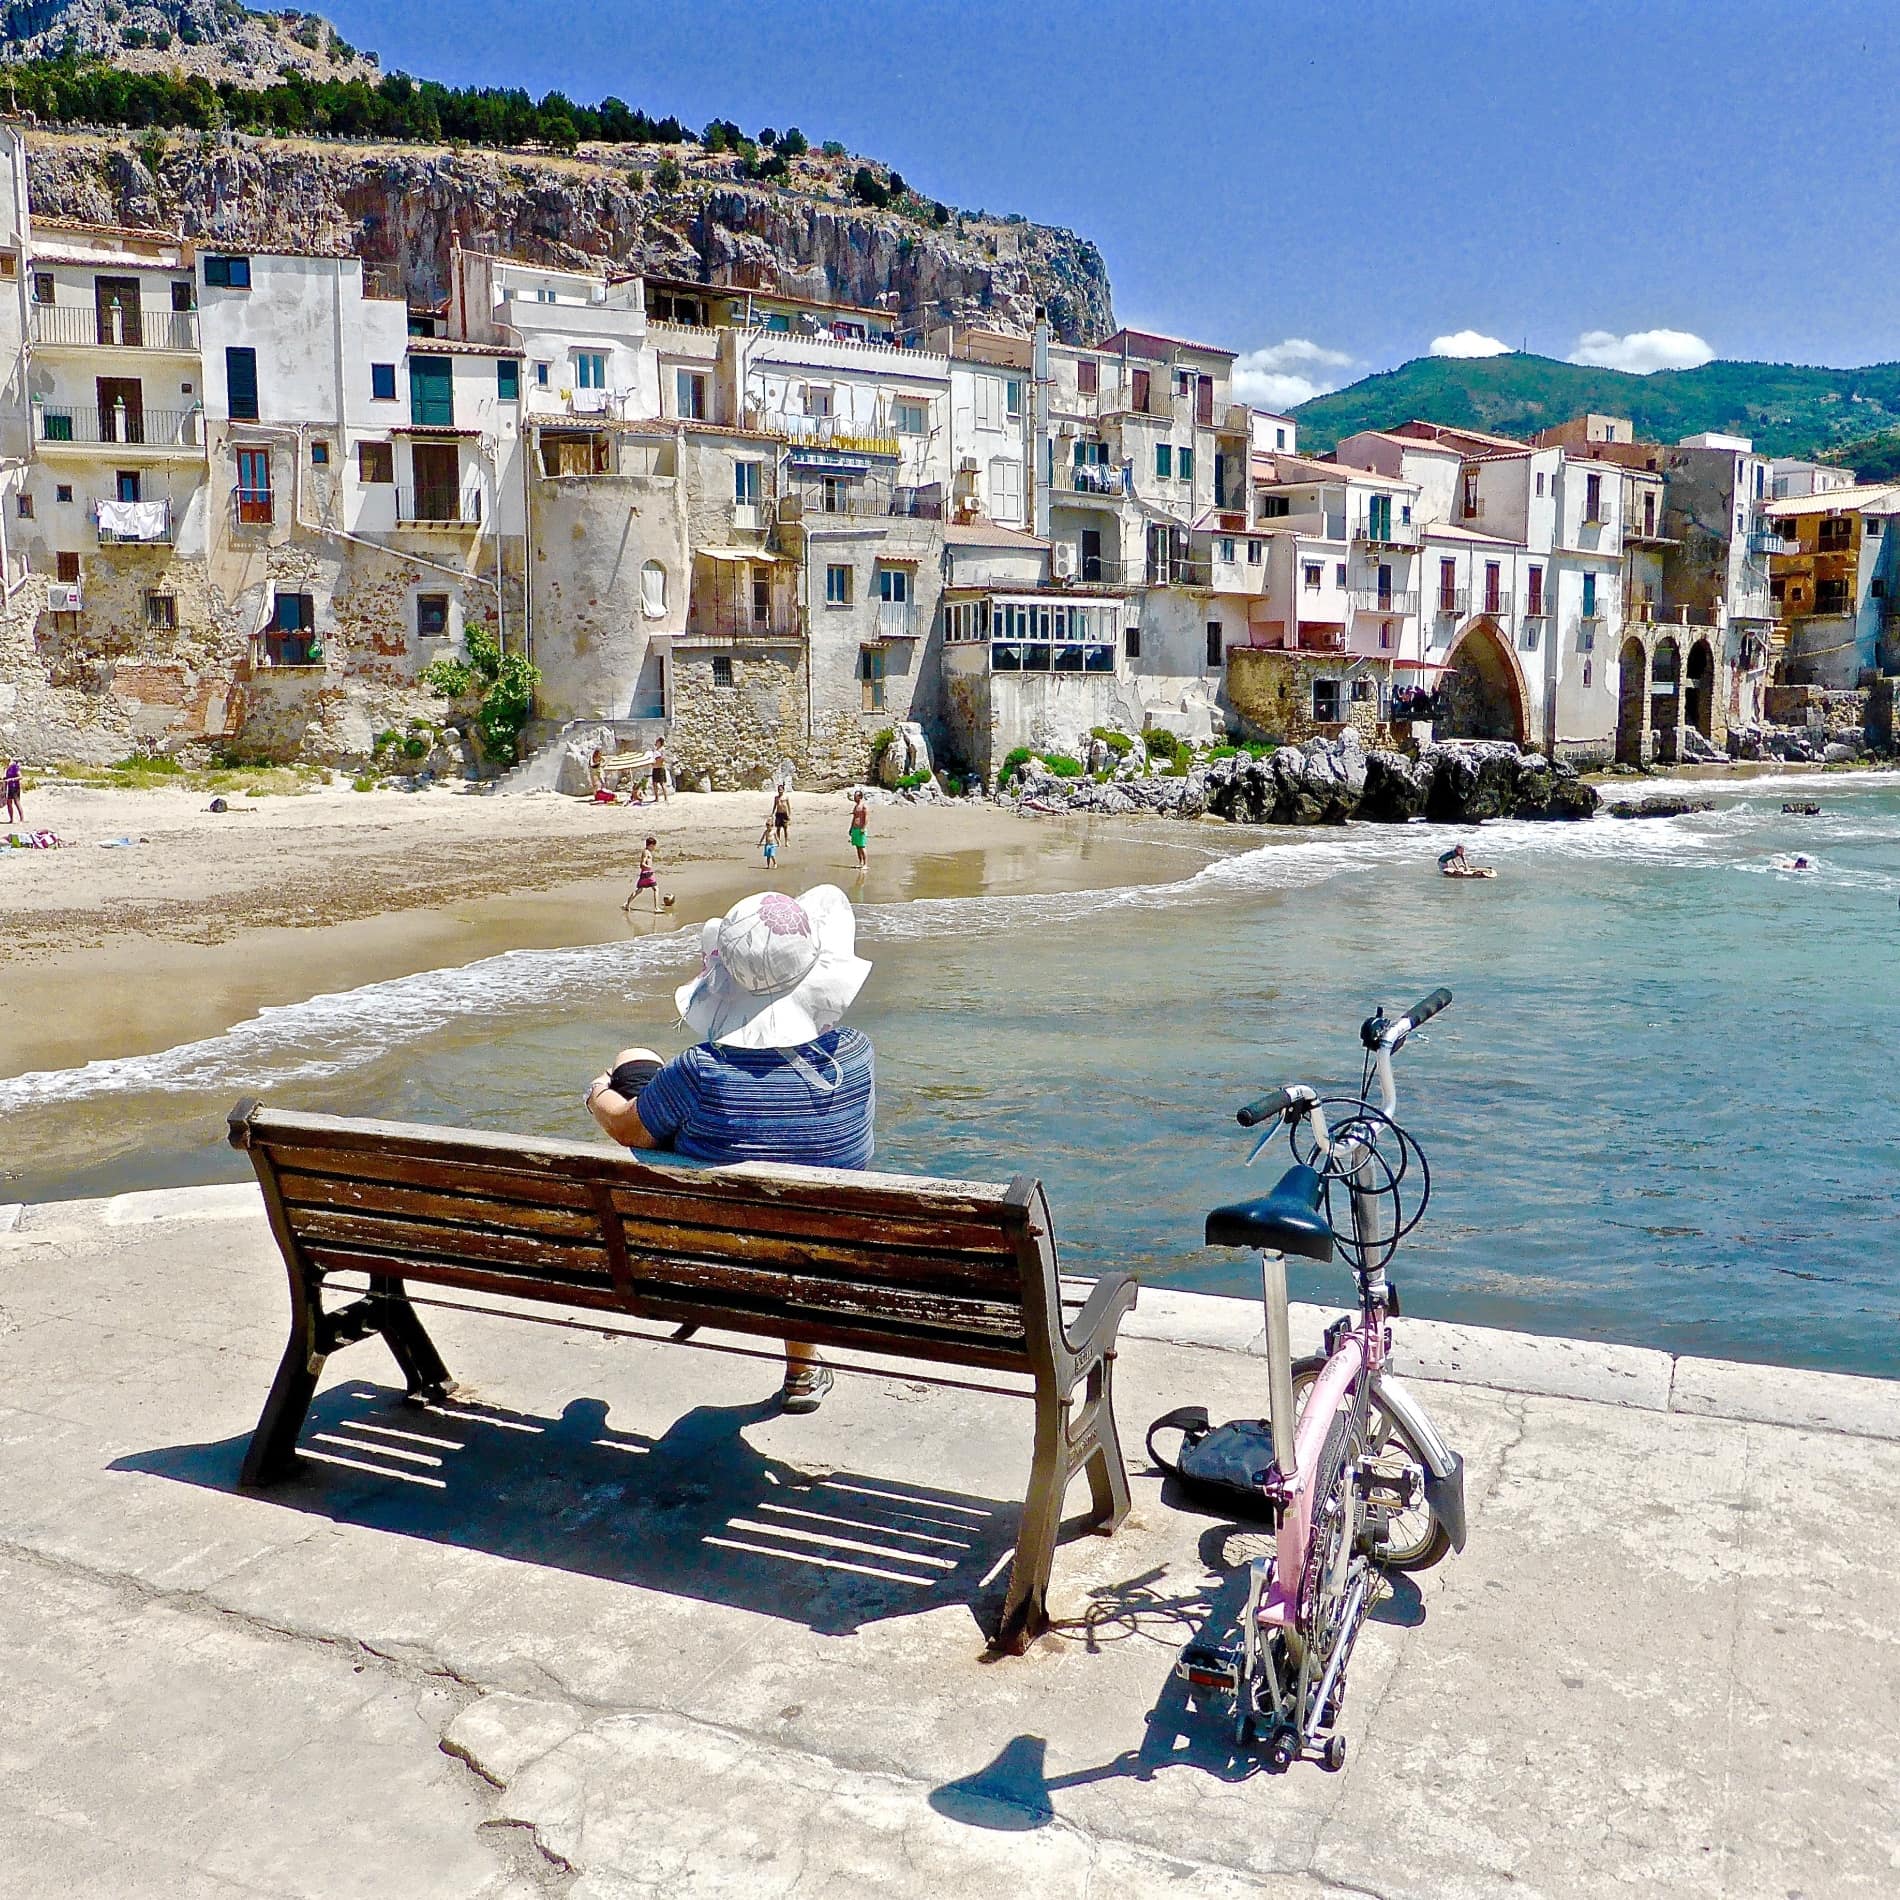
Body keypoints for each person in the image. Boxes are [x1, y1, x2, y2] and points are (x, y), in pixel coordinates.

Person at [585, 885, 876, 1413]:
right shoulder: (855, 1054)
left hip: (710, 1258)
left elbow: (627, 1130)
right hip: (816, 1257)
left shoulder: (700, 1070)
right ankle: (803, 1370)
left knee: (635, 1061)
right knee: (798, 1213)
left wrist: (597, 1094)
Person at [626, 836, 671, 914]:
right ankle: (656, 908)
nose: (654, 848)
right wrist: (649, 868)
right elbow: (642, 864)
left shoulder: (647, 852)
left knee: (639, 890)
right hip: (648, 874)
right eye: (654, 846)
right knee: (656, 889)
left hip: (644, 874)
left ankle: (627, 904)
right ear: (651, 845)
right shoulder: (646, 852)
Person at [848, 788, 869, 873]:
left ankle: (865, 864)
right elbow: (854, 817)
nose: (854, 798)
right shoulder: (856, 806)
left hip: (861, 828)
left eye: (855, 796)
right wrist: (851, 828)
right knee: (857, 846)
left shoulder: (864, 806)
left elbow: (866, 817)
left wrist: (863, 827)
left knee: (862, 846)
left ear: (860, 797)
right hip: (855, 828)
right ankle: (860, 863)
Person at [650, 738, 671, 804]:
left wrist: (656, 761)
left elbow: (663, 758)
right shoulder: (655, 750)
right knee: (654, 783)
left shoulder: (662, 749)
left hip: (660, 767)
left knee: (662, 783)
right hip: (655, 768)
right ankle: (656, 798)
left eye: (657, 742)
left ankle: (666, 798)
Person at [3, 757, 21, 827]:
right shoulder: (7, 768)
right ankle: (11, 819)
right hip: (9, 787)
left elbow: (20, 776)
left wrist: (11, 779)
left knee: (17, 802)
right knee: (9, 802)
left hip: (15, 786)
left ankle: (21, 819)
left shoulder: (14, 767)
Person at [773, 783, 792, 849]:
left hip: (784, 814)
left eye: (781, 790)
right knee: (778, 828)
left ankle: (787, 842)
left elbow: (788, 806)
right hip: (778, 814)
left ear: (783, 790)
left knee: (785, 829)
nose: (780, 791)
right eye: (779, 790)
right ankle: (778, 842)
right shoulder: (776, 798)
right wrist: (772, 813)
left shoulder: (786, 797)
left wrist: (789, 814)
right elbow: (774, 806)